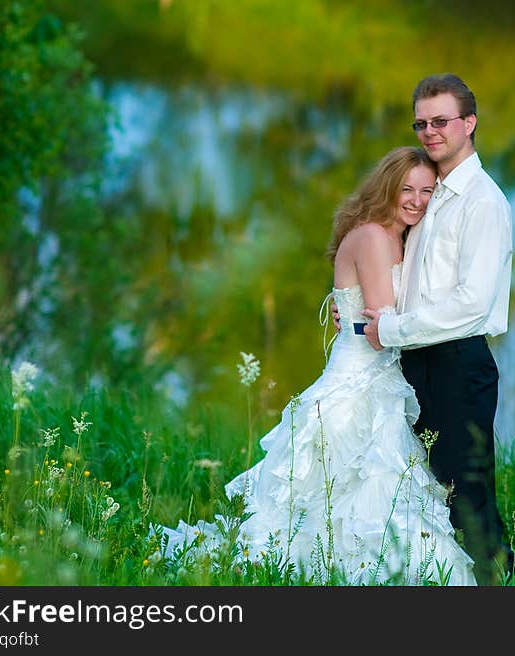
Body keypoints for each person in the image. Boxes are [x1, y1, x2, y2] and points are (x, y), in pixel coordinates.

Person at [152, 146, 477, 586]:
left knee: (373, 476)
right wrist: (453, 309)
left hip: (382, 370)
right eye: (407, 189)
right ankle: (343, 565)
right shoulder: (373, 237)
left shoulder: (396, 236)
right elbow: (386, 318)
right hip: (359, 374)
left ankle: (371, 564)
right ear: (387, 187)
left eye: (426, 190)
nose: (417, 200)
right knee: (348, 474)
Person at [354, 74, 515, 585]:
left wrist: (394, 329)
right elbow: (410, 282)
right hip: (416, 360)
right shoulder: (431, 194)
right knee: (425, 487)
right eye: (421, 122)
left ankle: (504, 583)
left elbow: (472, 305)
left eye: (441, 121)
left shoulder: (483, 203)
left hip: (458, 361)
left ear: (469, 123)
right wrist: (361, 315)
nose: (429, 131)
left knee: (466, 488)